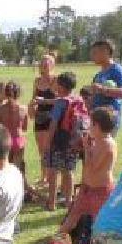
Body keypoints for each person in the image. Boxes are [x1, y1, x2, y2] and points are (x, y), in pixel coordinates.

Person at [59, 107, 117, 236]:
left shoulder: (107, 144)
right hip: (87, 188)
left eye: (91, 124)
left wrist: (86, 148)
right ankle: (56, 242)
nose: (89, 127)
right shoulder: (98, 141)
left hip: (101, 191)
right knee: (72, 216)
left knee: (99, 224)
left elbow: (92, 167)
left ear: (97, 125)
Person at [45, 71, 81, 211]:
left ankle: (52, 202)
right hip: (73, 142)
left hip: (58, 141)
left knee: (53, 172)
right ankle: (69, 201)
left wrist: (48, 142)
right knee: (69, 171)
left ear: (61, 86)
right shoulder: (77, 100)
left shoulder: (60, 102)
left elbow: (53, 124)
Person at [0, 80, 29, 199]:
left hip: (6, 139)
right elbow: (25, 127)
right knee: (18, 168)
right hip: (18, 140)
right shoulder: (23, 108)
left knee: (6, 168)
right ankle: (21, 192)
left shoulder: (0, 109)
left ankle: (7, 193)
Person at [90, 39, 122, 133]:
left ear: (106, 52)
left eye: (95, 53)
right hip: (97, 118)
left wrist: (103, 89)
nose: (92, 56)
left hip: (109, 119)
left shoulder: (118, 71)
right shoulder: (99, 74)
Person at [30, 54, 57, 186]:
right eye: (42, 64)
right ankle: (43, 177)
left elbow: (61, 100)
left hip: (52, 118)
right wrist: (32, 105)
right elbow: (34, 98)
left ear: (52, 66)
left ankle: (51, 178)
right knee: (41, 150)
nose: (44, 66)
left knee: (49, 149)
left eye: (46, 64)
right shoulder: (37, 81)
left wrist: (45, 100)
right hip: (39, 118)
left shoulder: (55, 80)